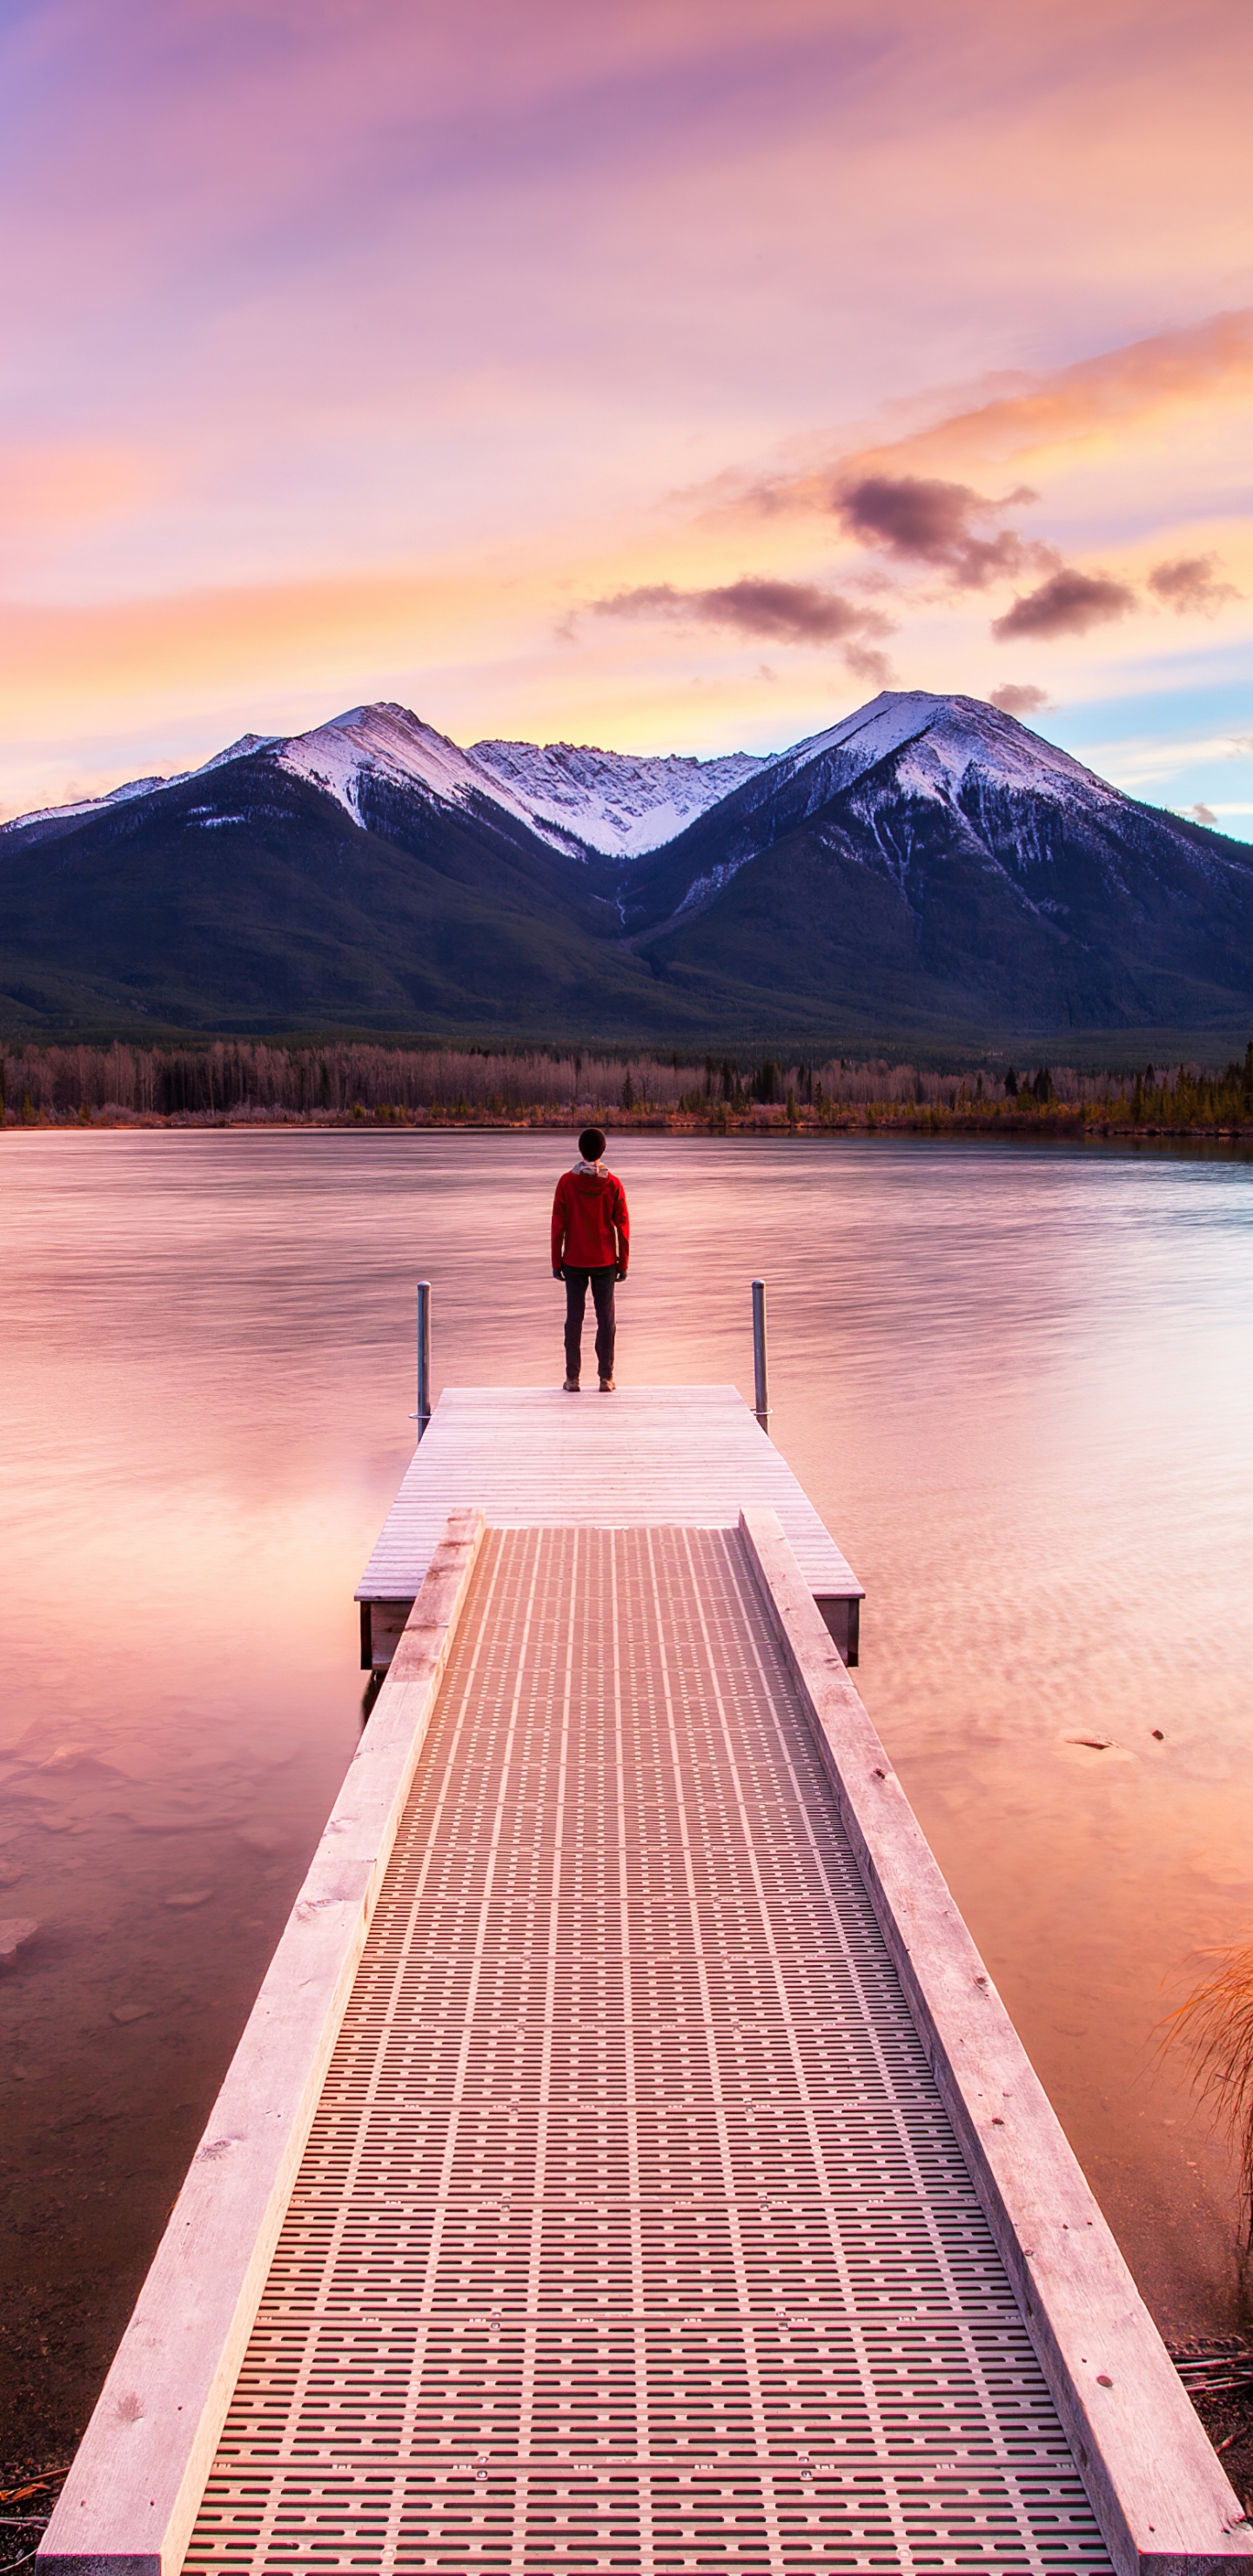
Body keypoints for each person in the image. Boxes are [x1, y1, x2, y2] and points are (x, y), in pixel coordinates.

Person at [551, 1127, 629, 1392]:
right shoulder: (613, 1184)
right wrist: (624, 1262)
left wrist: (555, 1261)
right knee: (606, 1321)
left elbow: (557, 1226)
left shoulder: (566, 1182)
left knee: (574, 1319)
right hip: (605, 1261)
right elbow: (623, 1226)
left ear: (580, 1150)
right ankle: (605, 1378)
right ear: (603, 1151)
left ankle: (572, 1378)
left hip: (573, 1260)